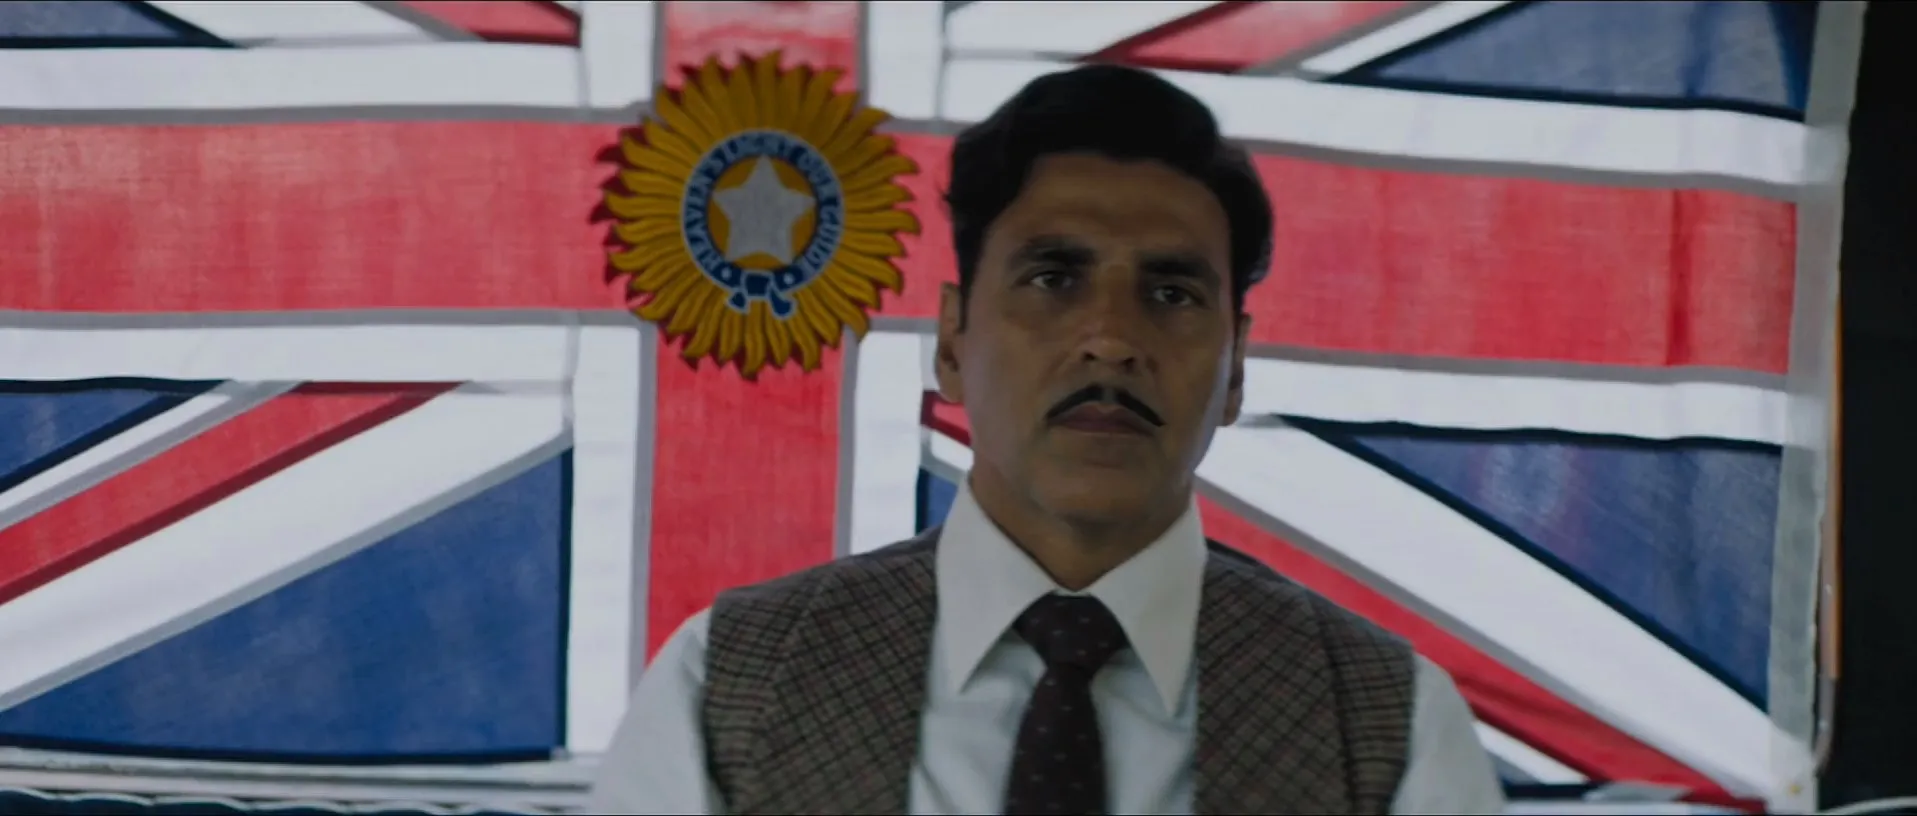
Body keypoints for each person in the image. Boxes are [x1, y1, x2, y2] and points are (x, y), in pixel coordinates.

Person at [589, 64, 1505, 815]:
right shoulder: (730, 687)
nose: (1110, 339)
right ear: (952, 344)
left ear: (1234, 371)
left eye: (1172, 293)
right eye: (1052, 278)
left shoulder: (1387, 725)